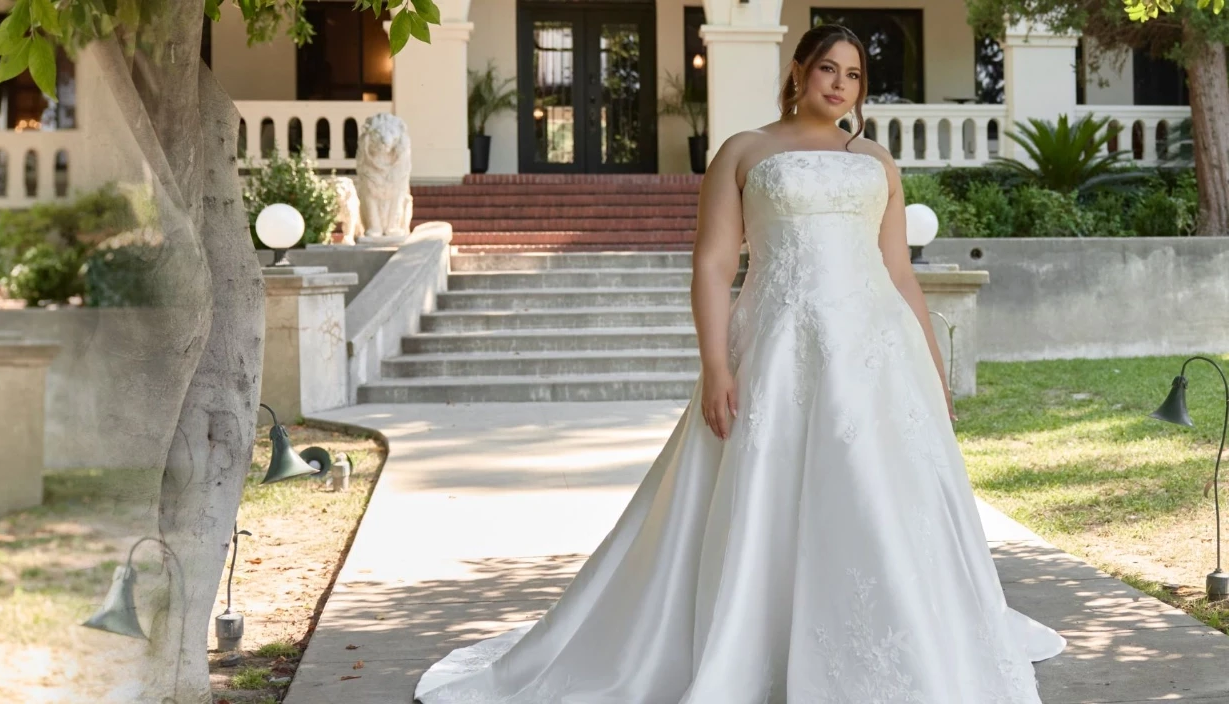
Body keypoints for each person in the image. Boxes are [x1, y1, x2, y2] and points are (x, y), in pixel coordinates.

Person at [413, 24, 1065, 703]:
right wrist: (717, 366)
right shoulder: (745, 150)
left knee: (880, 493)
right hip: (778, 347)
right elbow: (713, 264)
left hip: (877, 352)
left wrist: (932, 365)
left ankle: (905, 637)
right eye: (829, 69)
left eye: (854, 75)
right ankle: (757, 639)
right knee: (767, 492)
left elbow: (899, 272)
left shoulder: (877, 160)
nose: (841, 85)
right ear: (798, 70)